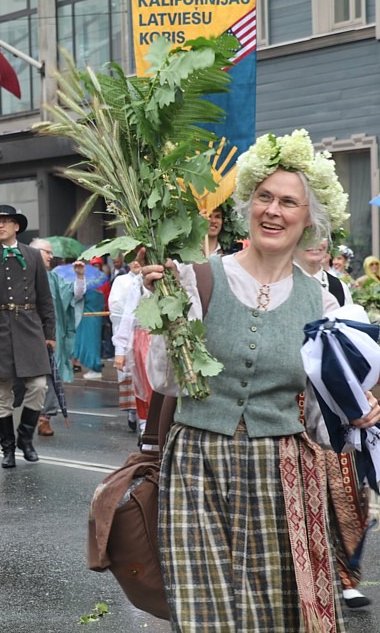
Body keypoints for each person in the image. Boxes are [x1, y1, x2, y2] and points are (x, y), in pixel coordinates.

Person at [144, 129, 373, 631]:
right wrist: (165, 317)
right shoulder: (197, 278)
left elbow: (322, 416)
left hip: (281, 470)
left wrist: (359, 409)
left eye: (288, 202)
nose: (273, 210)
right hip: (197, 464)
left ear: (308, 218)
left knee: (272, 615)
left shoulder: (324, 305)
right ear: (248, 204)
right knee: (206, 615)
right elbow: (164, 379)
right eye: (264, 197)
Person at [294, 243, 371, 609]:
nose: (317, 243)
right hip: (291, 400)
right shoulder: (280, 282)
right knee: (302, 491)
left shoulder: (338, 288)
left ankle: (347, 575)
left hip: (331, 400)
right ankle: (307, 579)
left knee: (346, 489)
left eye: (323, 236)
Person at [0, 205, 55, 468]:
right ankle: (7, 448)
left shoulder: (32, 255)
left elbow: (45, 298)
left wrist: (49, 332)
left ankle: (25, 439)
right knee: (2, 392)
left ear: (17, 226)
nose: (0, 226)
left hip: (30, 328)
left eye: (6, 222)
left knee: (39, 386)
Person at [29, 238, 85, 436]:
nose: (51, 257)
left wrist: (79, 277)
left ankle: (45, 418)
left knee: (51, 376)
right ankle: (28, 416)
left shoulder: (53, 279)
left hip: (50, 336)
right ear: (35, 253)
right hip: (26, 336)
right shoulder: (22, 277)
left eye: (52, 253)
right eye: (48, 252)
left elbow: (74, 296)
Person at [110, 258, 150, 436]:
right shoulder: (134, 282)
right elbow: (125, 313)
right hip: (141, 336)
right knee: (142, 382)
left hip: (164, 336)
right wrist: (120, 349)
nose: (137, 262)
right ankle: (144, 424)